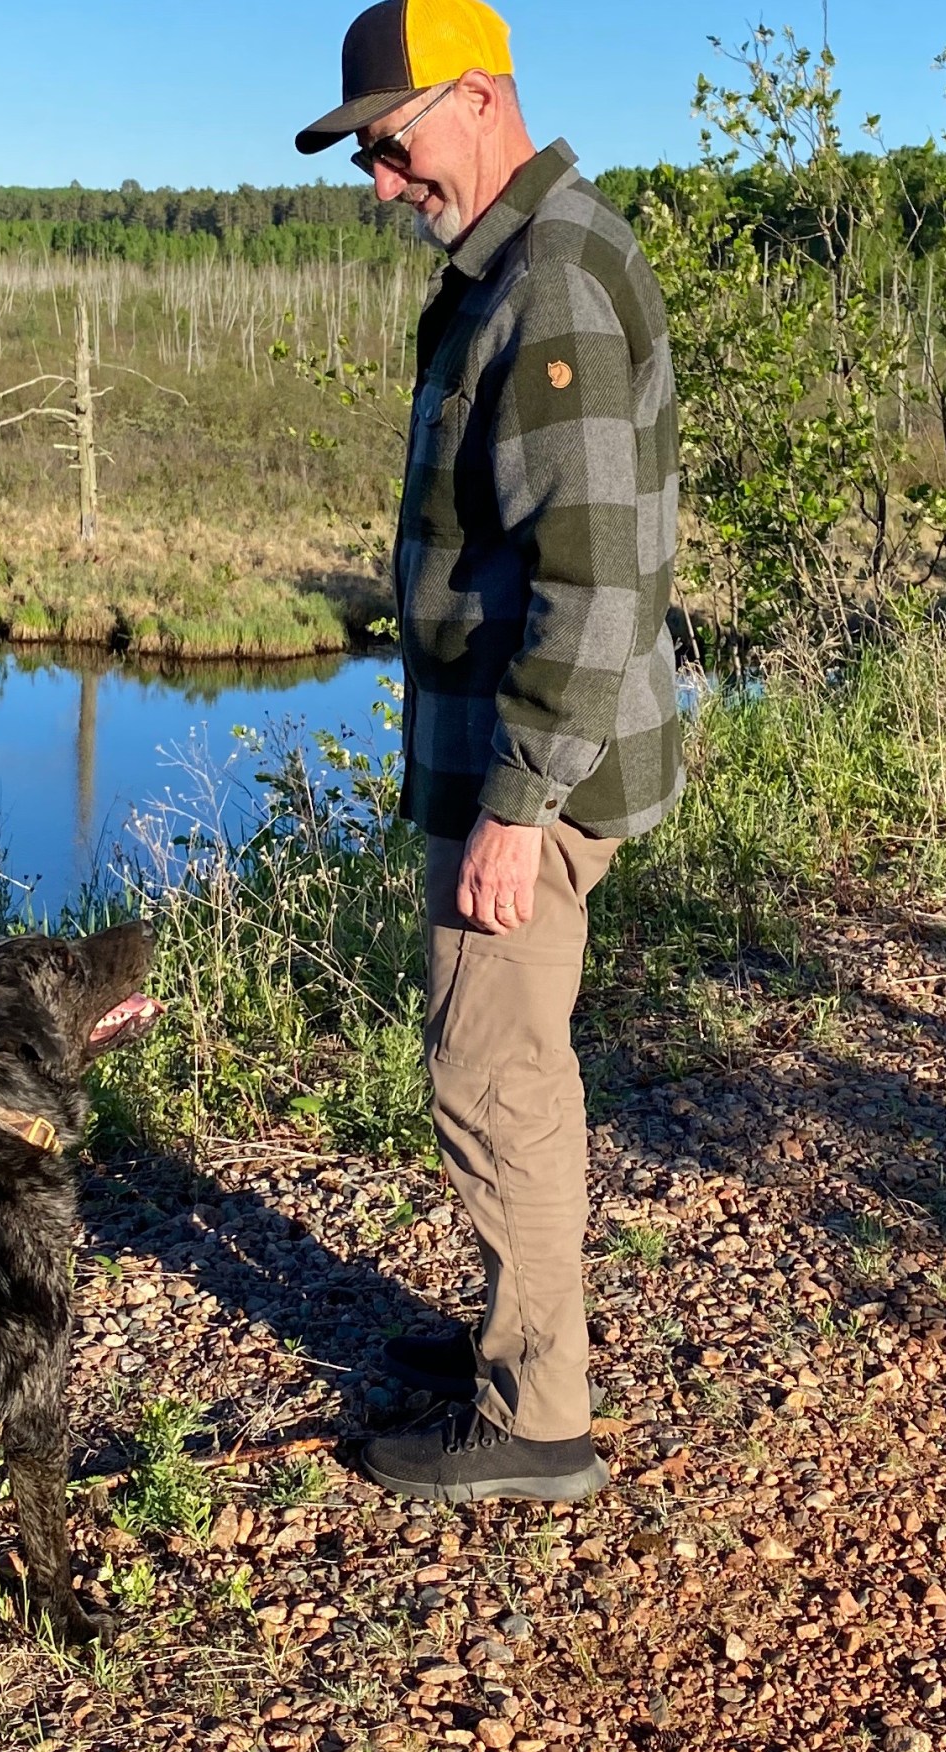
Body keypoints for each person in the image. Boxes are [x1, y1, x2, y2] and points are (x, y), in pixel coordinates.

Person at [295, 0, 683, 1503]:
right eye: (364, 161)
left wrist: (516, 806)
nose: (382, 183)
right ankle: (517, 1337)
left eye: (390, 146)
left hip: (537, 771)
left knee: (490, 1071)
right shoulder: (518, 261)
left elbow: (595, 579)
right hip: (527, 752)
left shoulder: (554, 279)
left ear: (475, 95)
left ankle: (534, 1415)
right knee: (511, 1060)